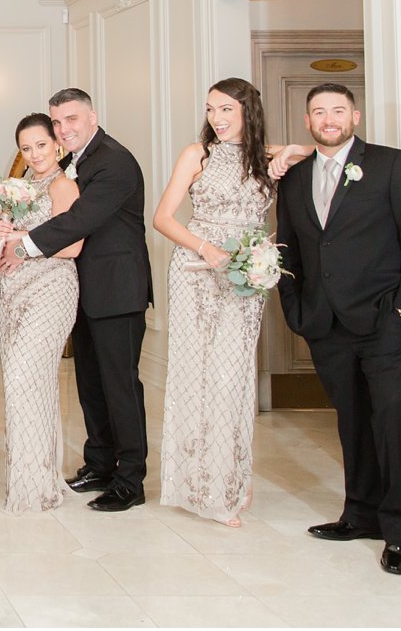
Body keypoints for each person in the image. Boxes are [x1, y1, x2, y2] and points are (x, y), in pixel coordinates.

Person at [275, 83, 401, 575]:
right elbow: (288, 248)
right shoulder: (295, 177)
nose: (329, 119)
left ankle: (399, 534)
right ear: (308, 121)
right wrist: (295, 309)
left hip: (385, 321)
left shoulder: (394, 165)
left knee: (393, 421)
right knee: (351, 422)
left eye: (338, 110)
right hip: (325, 324)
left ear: (356, 115)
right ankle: (360, 514)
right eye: (319, 112)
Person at [0, 87, 151, 513]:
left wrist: (23, 245)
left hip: (116, 289)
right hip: (80, 289)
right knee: (90, 384)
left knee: (120, 385)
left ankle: (130, 479)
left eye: (71, 120)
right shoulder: (74, 160)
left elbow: (80, 220)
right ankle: (99, 463)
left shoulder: (114, 161)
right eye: (58, 122)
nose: (64, 129)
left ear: (92, 116)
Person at [153, 79, 282, 526]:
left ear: (249, 111)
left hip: (246, 275)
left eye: (227, 109)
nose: (217, 119)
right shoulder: (198, 154)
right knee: (196, 375)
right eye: (211, 110)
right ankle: (195, 483)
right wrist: (207, 249)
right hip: (196, 273)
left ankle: (229, 479)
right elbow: (163, 218)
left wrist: (287, 152)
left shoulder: (264, 157)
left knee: (234, 377)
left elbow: (312, 149)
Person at [0, 113, 81, 513]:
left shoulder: (64, 185)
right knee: (21, 385)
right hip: (10, 292)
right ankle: (28, 478)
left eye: (41, 144)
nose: (35, 153)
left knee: (27, 378)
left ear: (57, 144)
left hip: (50, 289)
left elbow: (73, 246)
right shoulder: (13, 188)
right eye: (26, 147)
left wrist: (22, 241)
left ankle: (37, 485)